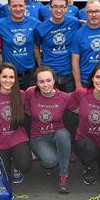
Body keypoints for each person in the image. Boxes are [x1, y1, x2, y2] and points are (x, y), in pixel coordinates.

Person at [67, 64, 100, 184]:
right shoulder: (81, 93)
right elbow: (68, 103)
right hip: (85, 141)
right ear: (92, 78)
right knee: (89, 148)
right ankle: (89, 167)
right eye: (98, 77)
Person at [25, 65, 72, 193]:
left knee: (63, 135)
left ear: (54, 80)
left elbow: (81, 109)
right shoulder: (30, 93)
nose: (45, 84)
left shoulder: (64, 97)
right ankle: (41, 152)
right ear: (36, 83)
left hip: (57, 134)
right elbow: (26, 111)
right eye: (41, 81)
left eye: (48, 80)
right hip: (38, 137)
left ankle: (63, 177)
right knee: (51, 162)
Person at [0, 63, 32, 183]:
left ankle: (17, 165)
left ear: (15, 79)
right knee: (3, 178)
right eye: (4, 77)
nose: (8, 80)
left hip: (18, 139)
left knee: (25, 166)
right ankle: (8, 160)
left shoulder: (22, 95)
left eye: (11, 77)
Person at [34, 0, 81, 93]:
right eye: (55, 6)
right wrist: (40, 65)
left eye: (62, 7)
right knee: (49, 106)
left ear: (67, 8)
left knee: (69, 106)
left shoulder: (74, 23)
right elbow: (36, 47)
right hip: (49, 75)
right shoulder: (40, 28)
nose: (58, 10)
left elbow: (87, 27)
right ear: (49, 8)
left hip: (69, 75)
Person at [0, 0, 40, 90]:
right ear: (9, 7)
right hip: (9, 77)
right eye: (14, 6)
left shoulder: (35, 23)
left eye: (21, 5)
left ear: (25, 6)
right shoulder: (0, 24)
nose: (18, 9)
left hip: (29, 76)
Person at [71, 0, 100, 90]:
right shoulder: (78, 34)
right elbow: (75, 63)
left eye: (97, 11)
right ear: (86, 14)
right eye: (90, 12)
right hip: (85, 81)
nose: (94, 15)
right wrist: (78, 86)